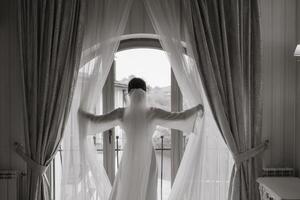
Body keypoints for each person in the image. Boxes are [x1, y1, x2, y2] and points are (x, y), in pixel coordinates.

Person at [79, 77, 204, 200]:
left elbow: (96, 121)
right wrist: (196, 110)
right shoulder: (153, 113)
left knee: (125, 187)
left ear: (129, 93)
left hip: (130, 156)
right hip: (148, 157)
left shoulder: (121, 113)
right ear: (145, 93)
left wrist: (82, 115)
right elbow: (179, 117)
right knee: (148, 190)